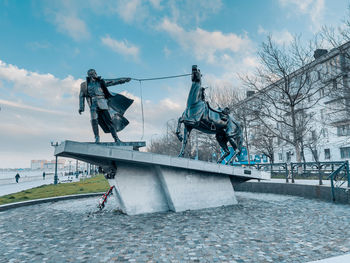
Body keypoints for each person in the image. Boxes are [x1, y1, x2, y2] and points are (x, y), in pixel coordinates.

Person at [79, 69, 133, 143]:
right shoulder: (84, 85)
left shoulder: (101, 81)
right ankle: (97, 137)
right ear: (89, 75)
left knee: (109, 122)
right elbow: (81, 96)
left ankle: (116, 139)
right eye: (92, 73)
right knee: (94, 121)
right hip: (93, 105)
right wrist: (81, 107)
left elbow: (114, 81)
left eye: (94, 73)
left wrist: (125, 79)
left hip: (103, 103)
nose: (94, 74)